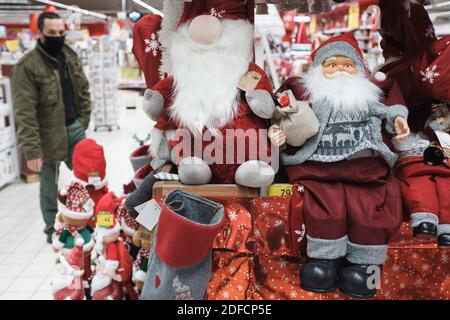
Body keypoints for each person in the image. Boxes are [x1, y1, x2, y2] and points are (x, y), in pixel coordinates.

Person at [269, 33, 410, 299]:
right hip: (318, 169)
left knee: (371, 208)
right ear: (318, 70)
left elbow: (390, 107)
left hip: (366, 168)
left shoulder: (369, 96)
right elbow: (284, 114)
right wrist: (278, 131)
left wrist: (398, 121)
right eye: (331, 65)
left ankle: (366, 266)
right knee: (324, 207)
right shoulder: (307, 94)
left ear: (359, 68)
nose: (341, 71)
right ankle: (324, 262)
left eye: (348, 65)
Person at [12, 12, 91, 243]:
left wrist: (83, 120)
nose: (58, 37)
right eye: (52, 33)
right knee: (48, 184)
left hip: (75, 128)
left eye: (61, 32)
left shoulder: (70, 56)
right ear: (40, 34)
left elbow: (84, 90)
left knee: (88, 177)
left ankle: (87, 220)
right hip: (47, 135)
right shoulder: (27, 66)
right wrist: (32, 149)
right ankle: (51, 231)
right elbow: (24, 112)